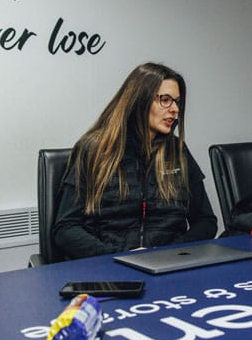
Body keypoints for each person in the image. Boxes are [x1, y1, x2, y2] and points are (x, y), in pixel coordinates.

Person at [52, 62, 218, 259]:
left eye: (177, 102)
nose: (175, 109)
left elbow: (206, 221)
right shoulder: (95, 150)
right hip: (109, 268)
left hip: (168, 266)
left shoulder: (177, 151)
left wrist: (168, 253)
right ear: (139, 100)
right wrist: (119, 256)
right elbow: (65, 228)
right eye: (165, 100)